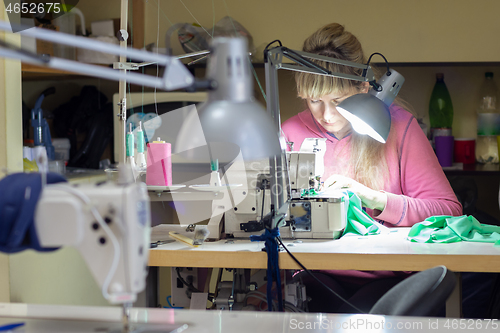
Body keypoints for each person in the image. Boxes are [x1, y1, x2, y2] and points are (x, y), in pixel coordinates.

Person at [281, 23, 463, 313]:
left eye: (338, 101)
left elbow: (448, 210)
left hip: (391, 275)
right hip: (316, 271)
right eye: (315, 101)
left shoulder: (399, 126)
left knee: (358, 320)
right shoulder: (291, 131)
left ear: (363, 87)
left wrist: (376, 199)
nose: (326, 115)